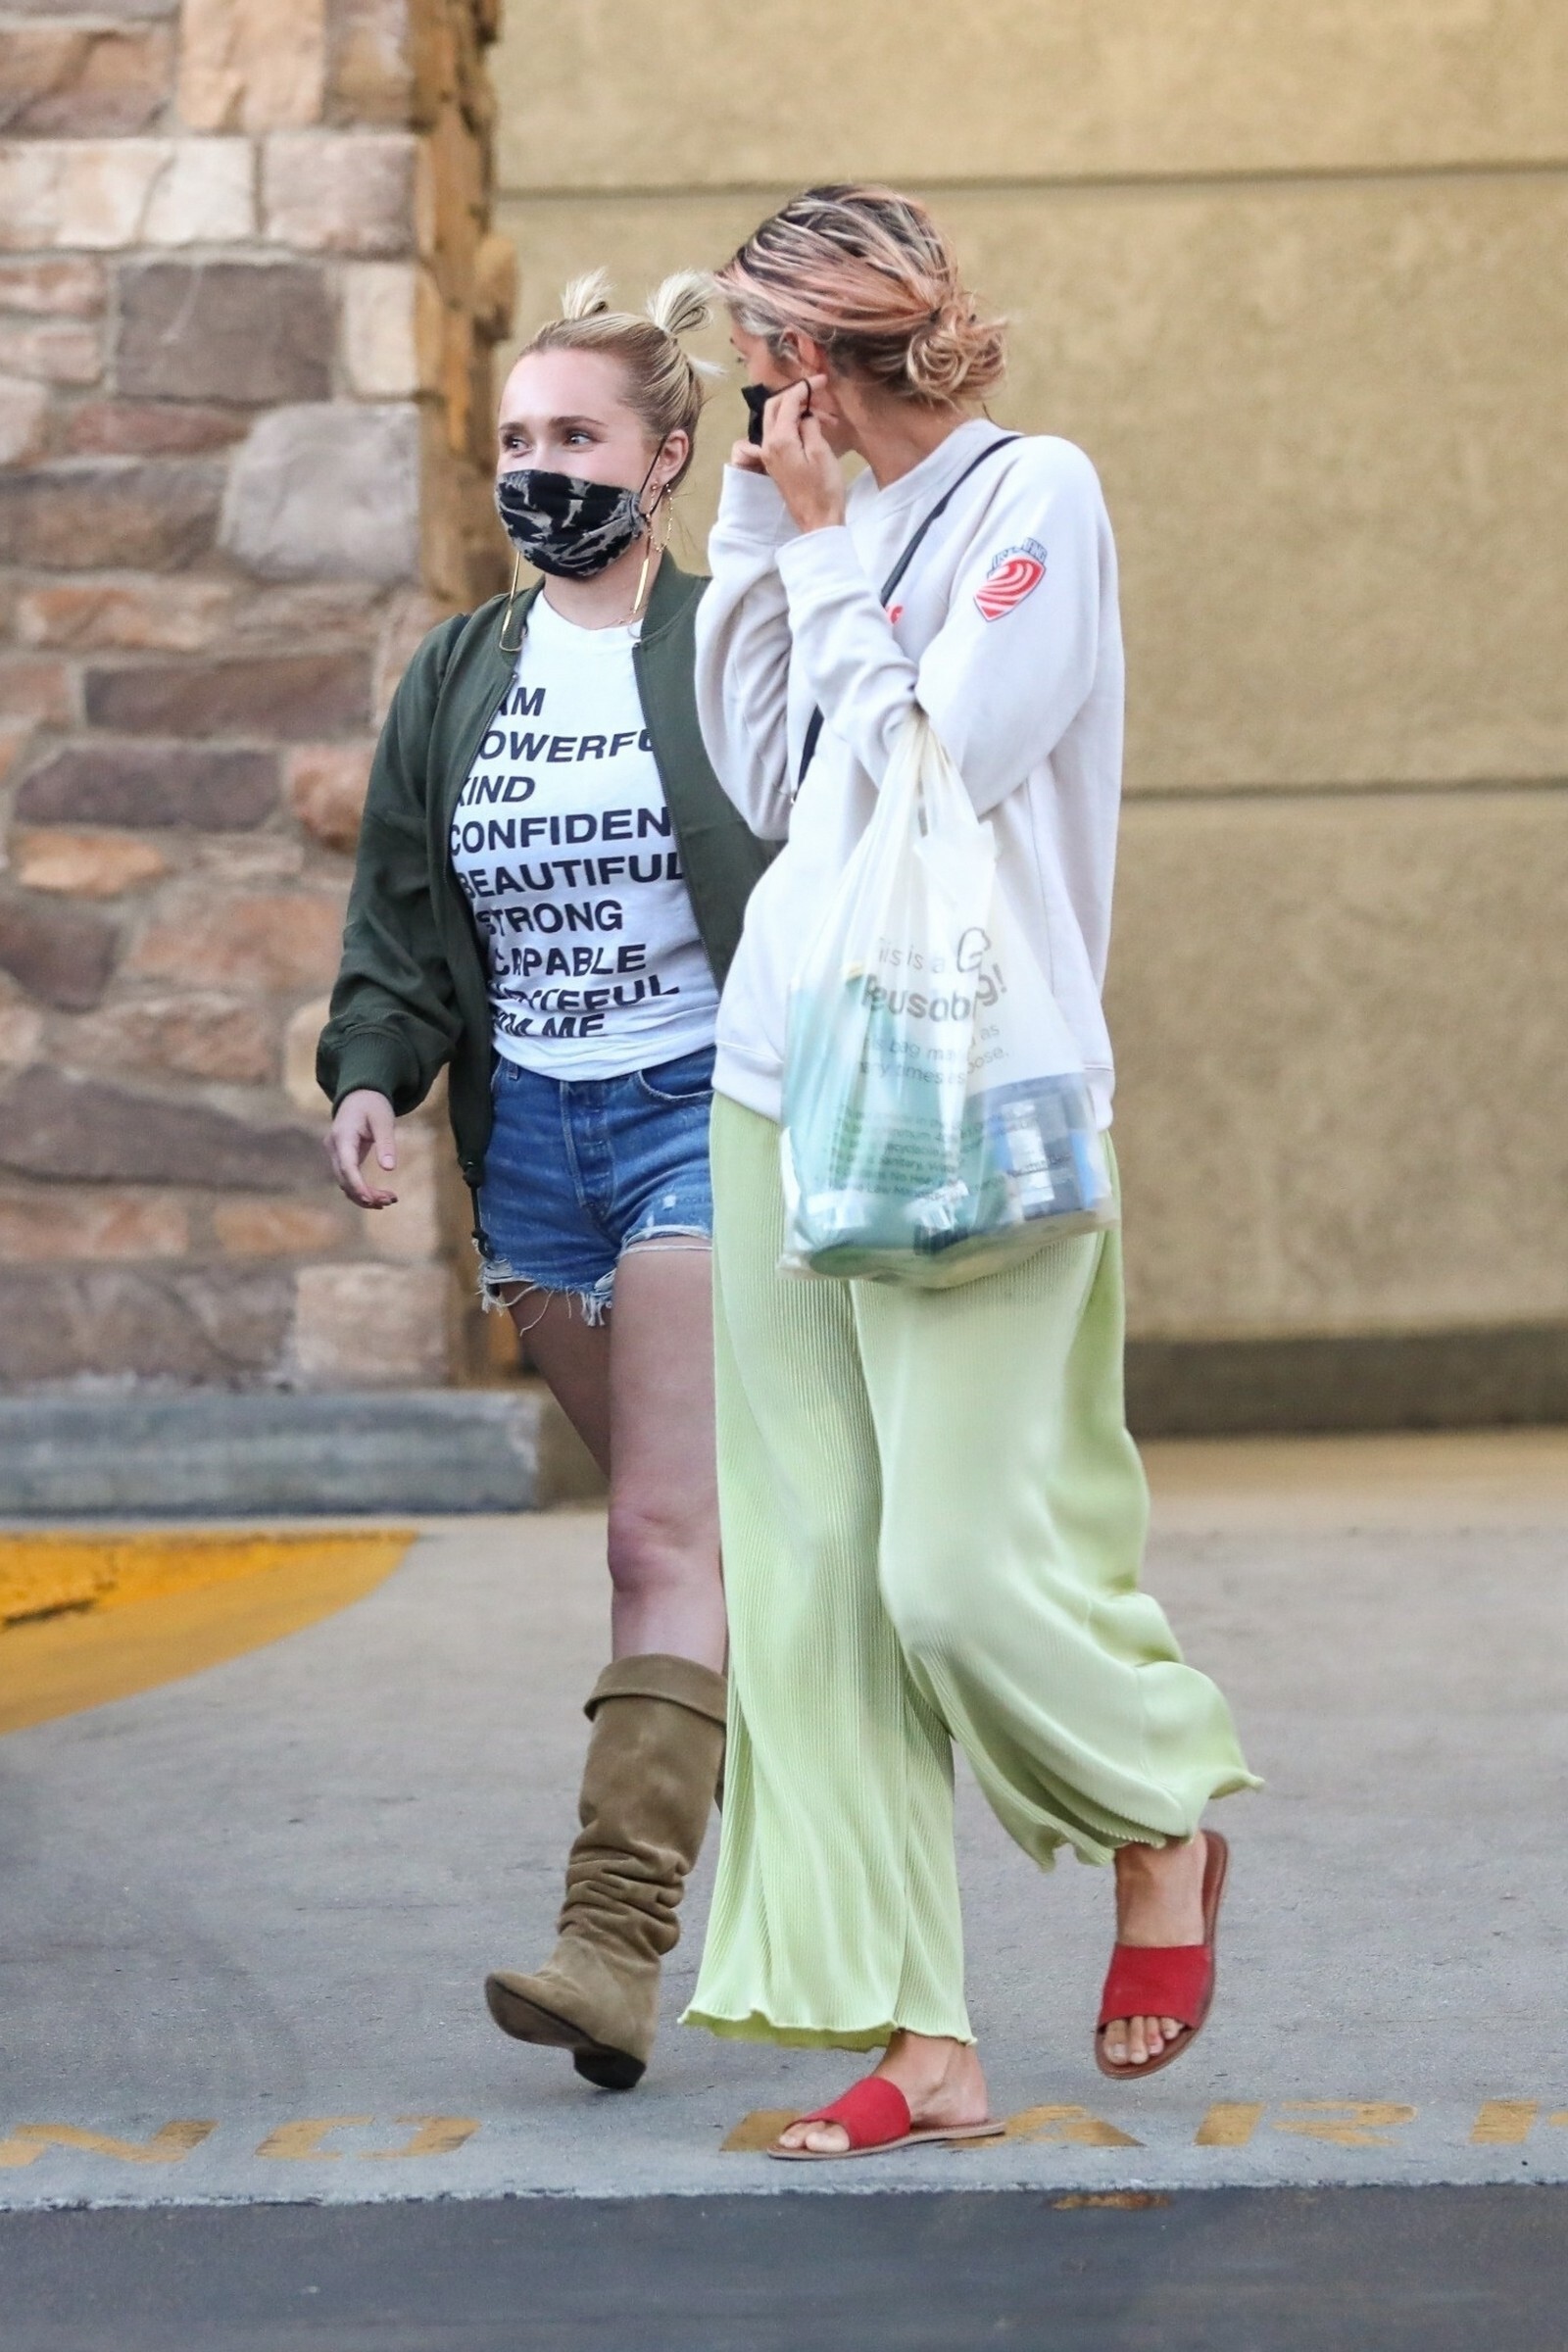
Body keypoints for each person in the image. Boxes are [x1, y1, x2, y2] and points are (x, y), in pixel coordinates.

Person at [683, 186, 1259, 2157]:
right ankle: (917, 2042)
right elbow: (769, 775)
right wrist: (760, 531)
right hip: (778, 1086)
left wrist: (826, 553)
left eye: (752, 360)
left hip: (973, 1094)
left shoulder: (1039, 498)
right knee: (813, 1597)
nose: (746, 393)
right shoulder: (812, 518)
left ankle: (1156, 1812)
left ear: (806, 359)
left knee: (947, 1572)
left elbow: (939, 766)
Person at [318, 272, 772, 2094]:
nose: (537, 469)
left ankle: (611, 1943)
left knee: (655, 1539)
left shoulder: (735, 641)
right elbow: (402, 913)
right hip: (537, 1159)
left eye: (576, 436)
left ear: (665, 457)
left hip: (699, 1118)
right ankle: (819, 1836)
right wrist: (372, 1073)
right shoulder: (459, 670)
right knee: (722, 1549)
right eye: (516, 439)